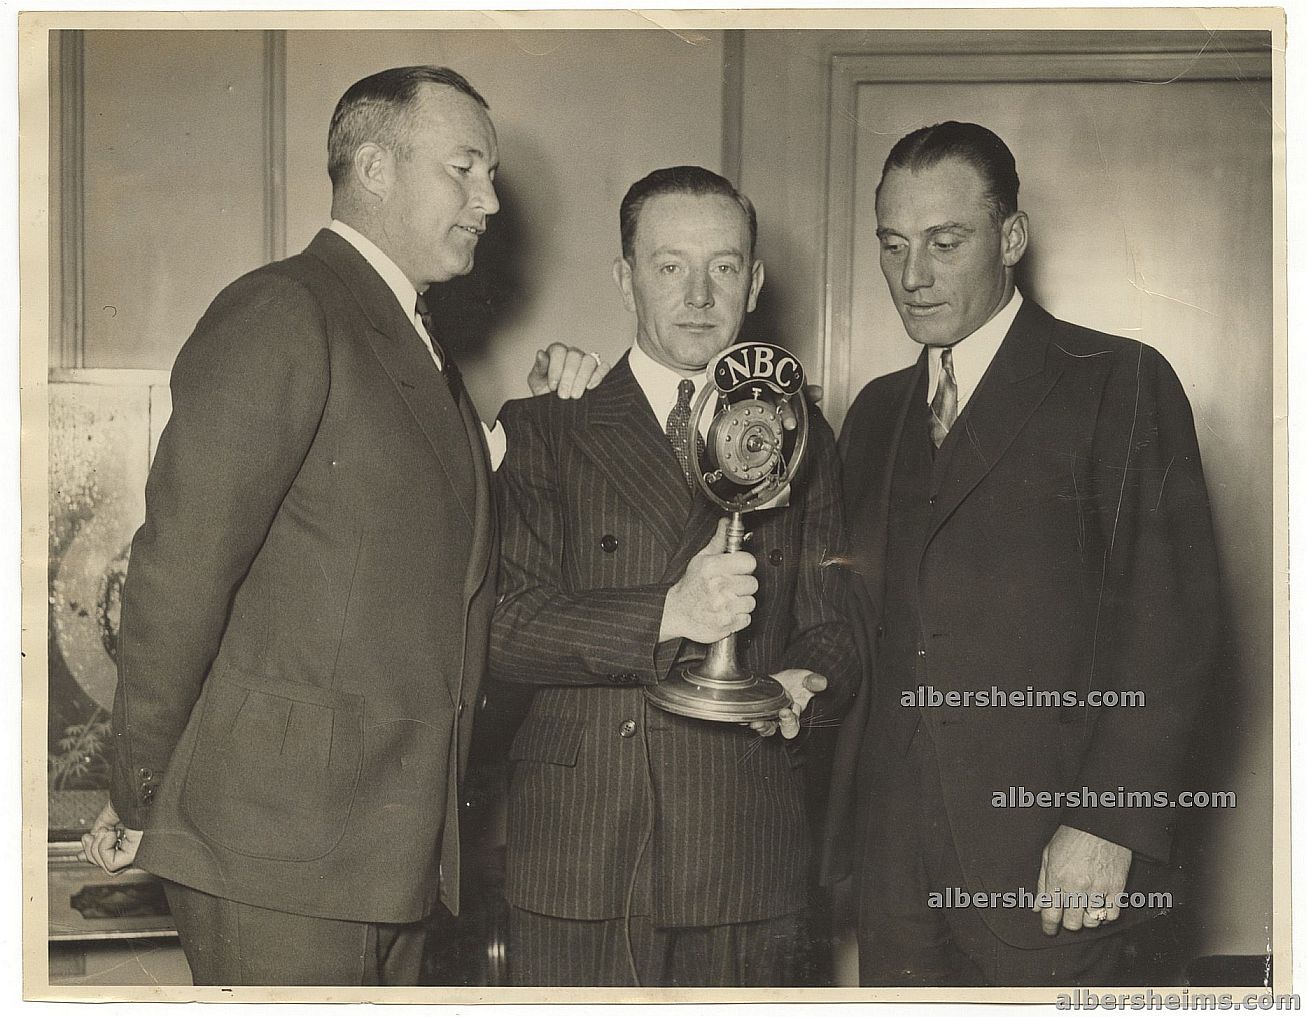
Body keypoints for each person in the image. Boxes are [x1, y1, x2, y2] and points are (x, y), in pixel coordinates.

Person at [78, 65, 607, 986]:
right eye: (465, 169)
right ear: (373, 168)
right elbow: (175, 573)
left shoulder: (409, 335)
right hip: (279, 848)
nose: (488, 200)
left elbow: (422, 544)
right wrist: (143, 790)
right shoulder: (286, 309)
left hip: (384, 847)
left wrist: (537, 424)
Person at [821, 121, 1221, 986]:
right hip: (896, 876)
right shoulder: (875, 414)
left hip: (1058, 867)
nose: (912, 275)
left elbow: (1172, 626)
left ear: (1010, 238)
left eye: (944, 241)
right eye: (892, 246)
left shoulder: (1117, 379)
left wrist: (1107, 823)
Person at [488, 165, 859, 987]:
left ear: (754, 281)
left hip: (742, 841)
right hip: (581, 850)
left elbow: (836, 621)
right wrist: (670, 611)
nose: (697, 294)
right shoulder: (545, 423)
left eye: (723, 266)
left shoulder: (802, 431)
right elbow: (503, 627)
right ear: (624, 279)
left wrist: (806, 682)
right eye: (667, 266)